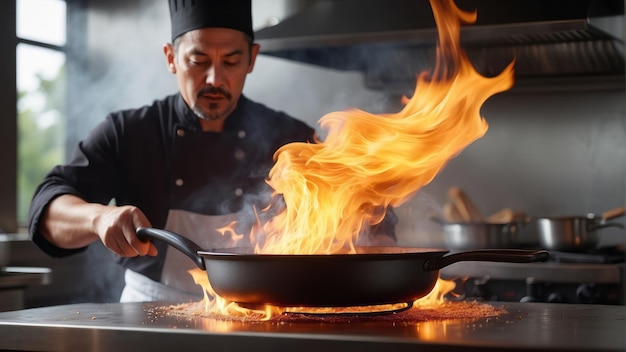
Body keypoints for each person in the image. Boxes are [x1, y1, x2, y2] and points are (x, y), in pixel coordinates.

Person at [28, 0, 396, 303]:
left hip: (259, 313)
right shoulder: (129, 132)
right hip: (150, 314)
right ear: (171, 57)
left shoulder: (291, 140)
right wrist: (97, 219)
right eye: (198, 61)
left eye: (231, 62)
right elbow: (48, 209)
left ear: (252, 59)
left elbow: (371, 218)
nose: (215, 80)